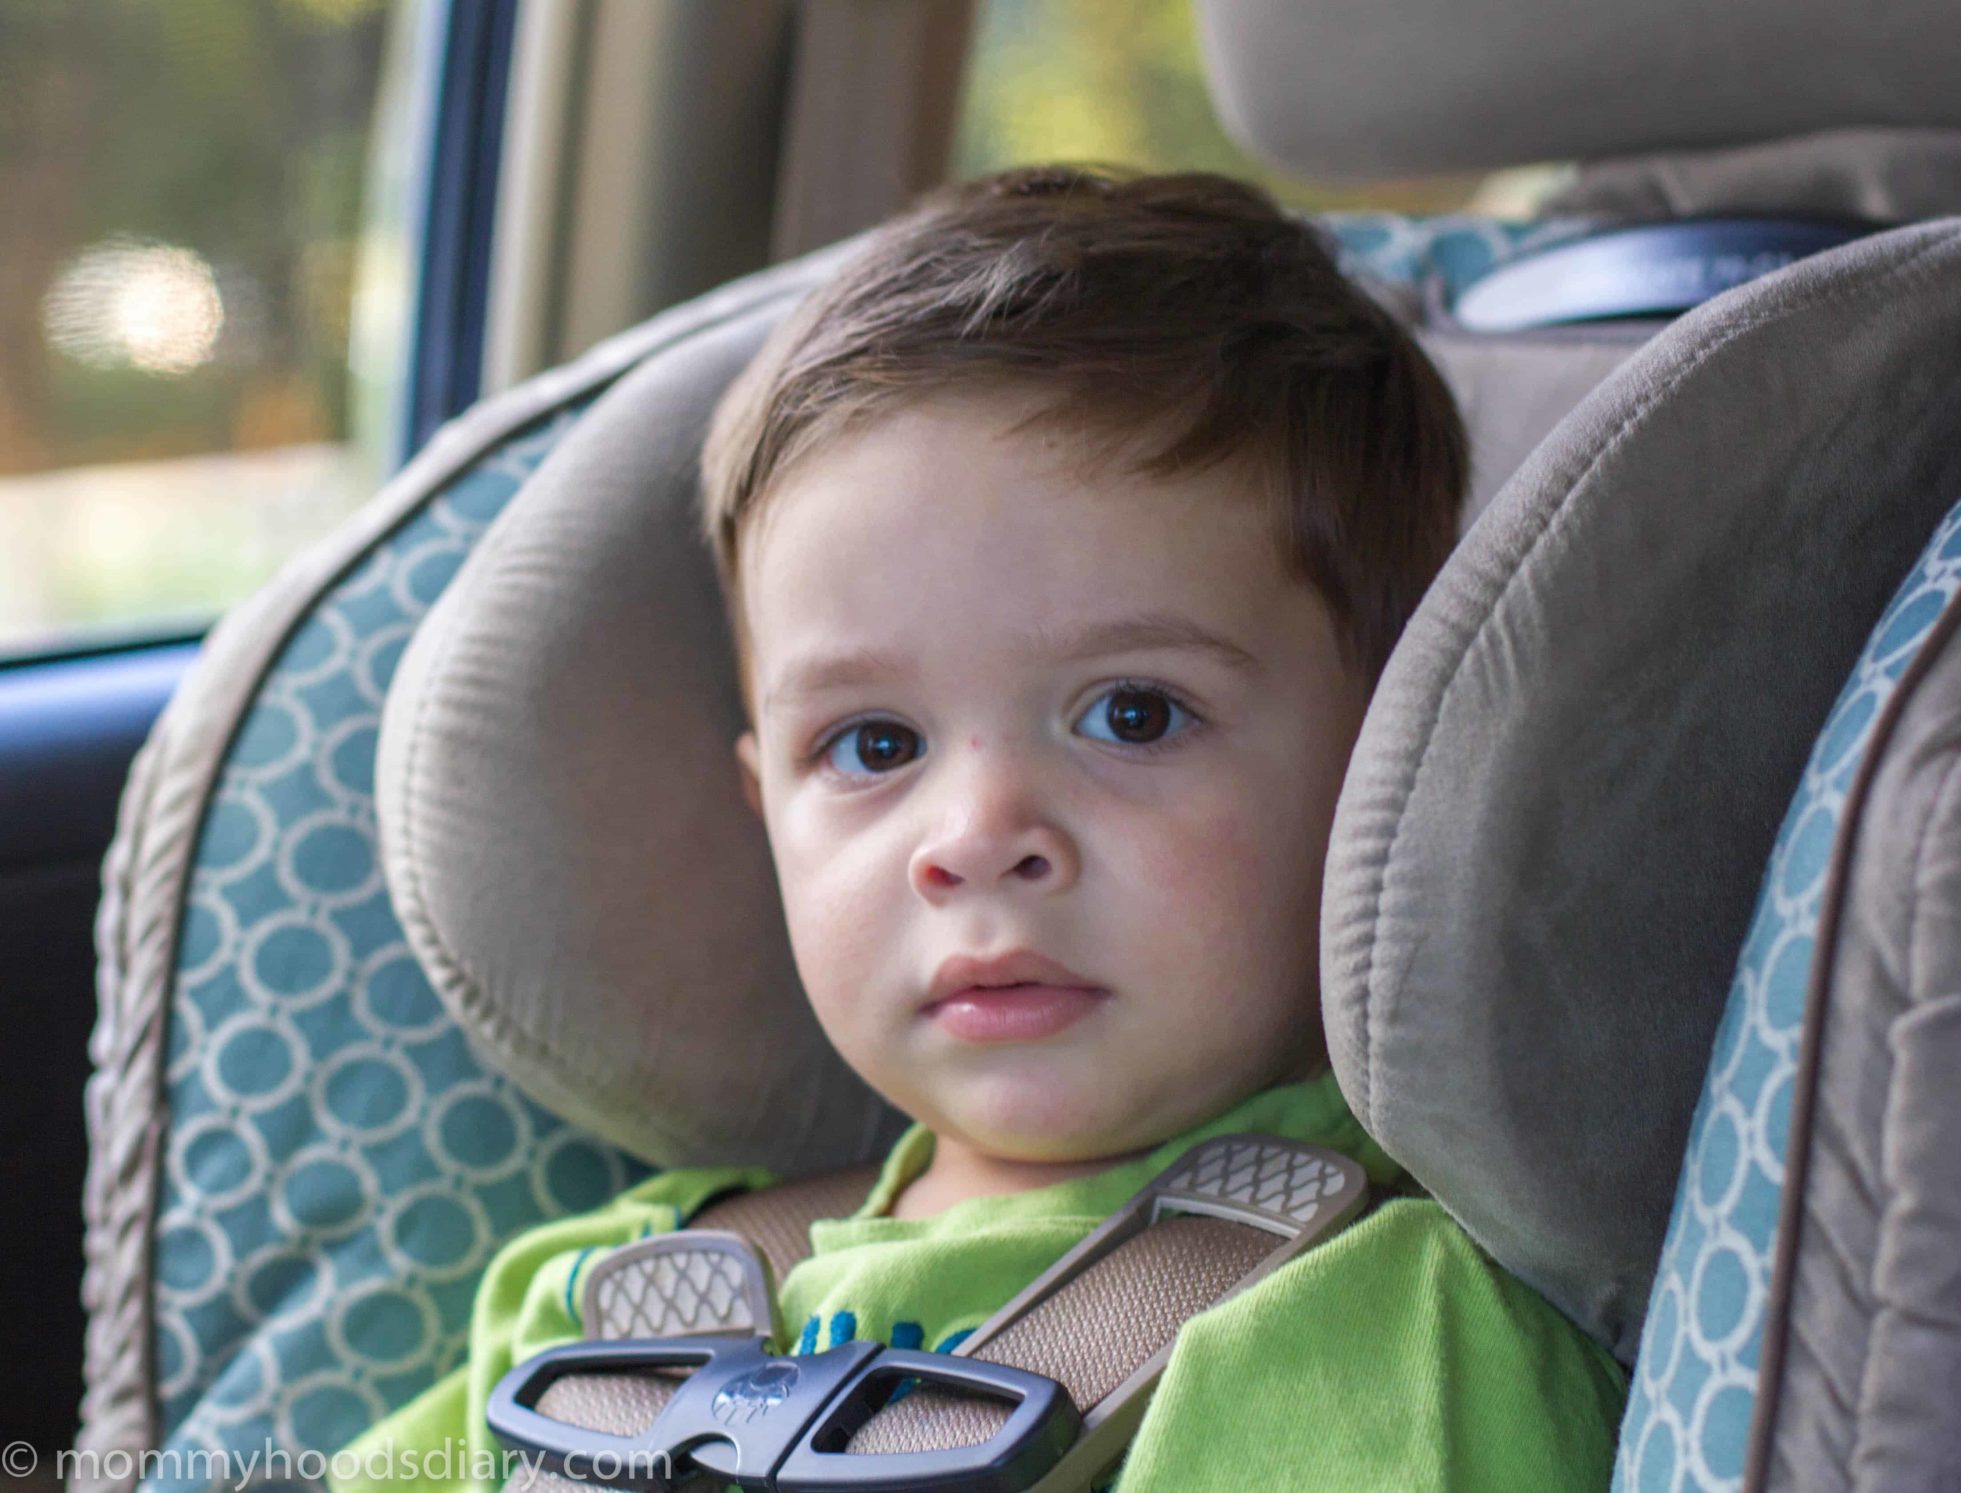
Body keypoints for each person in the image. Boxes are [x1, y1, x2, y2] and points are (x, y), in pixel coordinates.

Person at [333, 165, 1623, 1492]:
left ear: (1388, 764)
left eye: (1134, 713)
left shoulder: (1384, 1334)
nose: (977, 835)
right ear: (764, 807)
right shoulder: (605, 1306)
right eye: (874, 744)